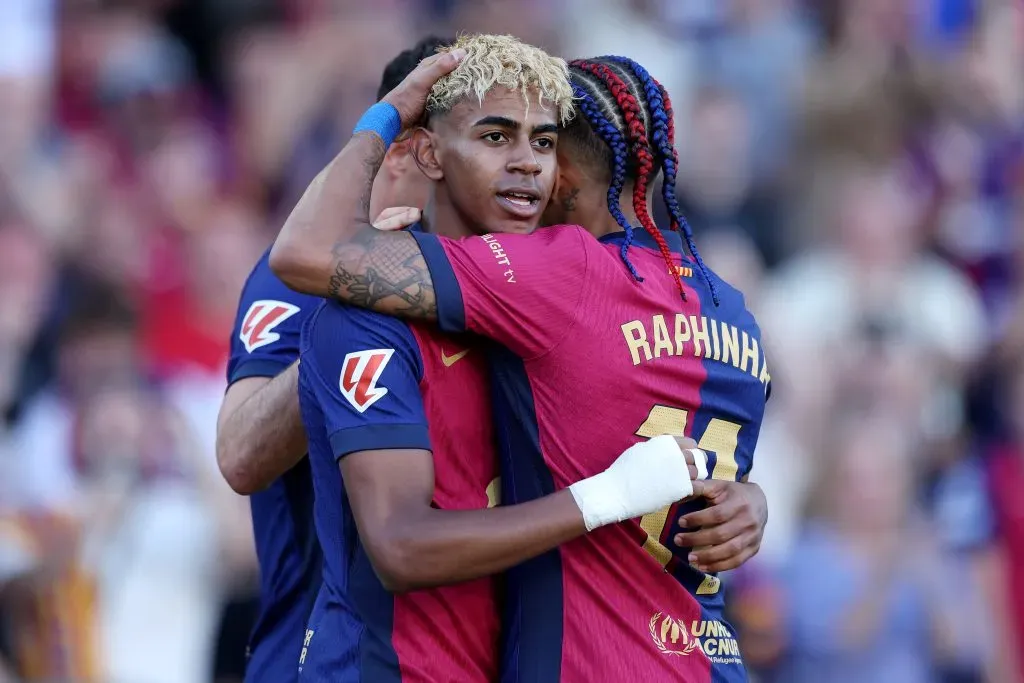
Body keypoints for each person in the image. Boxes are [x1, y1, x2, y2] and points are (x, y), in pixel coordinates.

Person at [271, 39, 769, 681]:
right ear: (431, 152)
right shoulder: (724, 304)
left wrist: (746, 500)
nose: (528, 165)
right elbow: (255, 463)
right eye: (498, 136)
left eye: (543, 142)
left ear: (567, 173)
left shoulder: (562, 282)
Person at [215, 36, 455, 683]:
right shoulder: (296, 272)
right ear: (412, 151)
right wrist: (360, 301)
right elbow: (240, 453)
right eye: (488, 140)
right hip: (314, 656)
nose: (517, 167)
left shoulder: (497, 282)